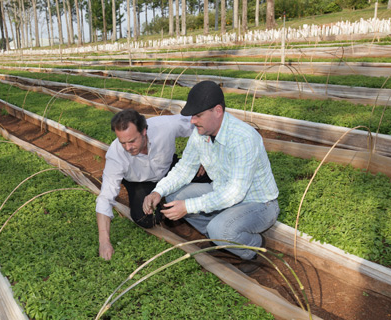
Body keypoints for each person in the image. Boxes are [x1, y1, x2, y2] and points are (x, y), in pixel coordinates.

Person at [143, 80, 280, 274]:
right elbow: (184, 168)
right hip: (222, 192)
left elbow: (235, 193)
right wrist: (158, 191)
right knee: (174, 197)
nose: (192, 121)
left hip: (258, 204)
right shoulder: (201, 133)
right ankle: (221, 239)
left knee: (219, 228)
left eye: (198, 115)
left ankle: (252, 249)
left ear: (217, 111)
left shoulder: (243, 138)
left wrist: (189, 207)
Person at [96, 109, 202, 260]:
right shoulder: (116, 155)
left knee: (206, 174)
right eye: (122, 142)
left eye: (132, 141)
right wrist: (104, 242)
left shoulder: (164, 126)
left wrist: (204, 154)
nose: (127, 147)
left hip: (169, 170)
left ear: (144, 131)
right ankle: (165, 201)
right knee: (145, 218)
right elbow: (105, 198)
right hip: (140, 182)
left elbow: (198, 123)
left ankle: (172, 199)